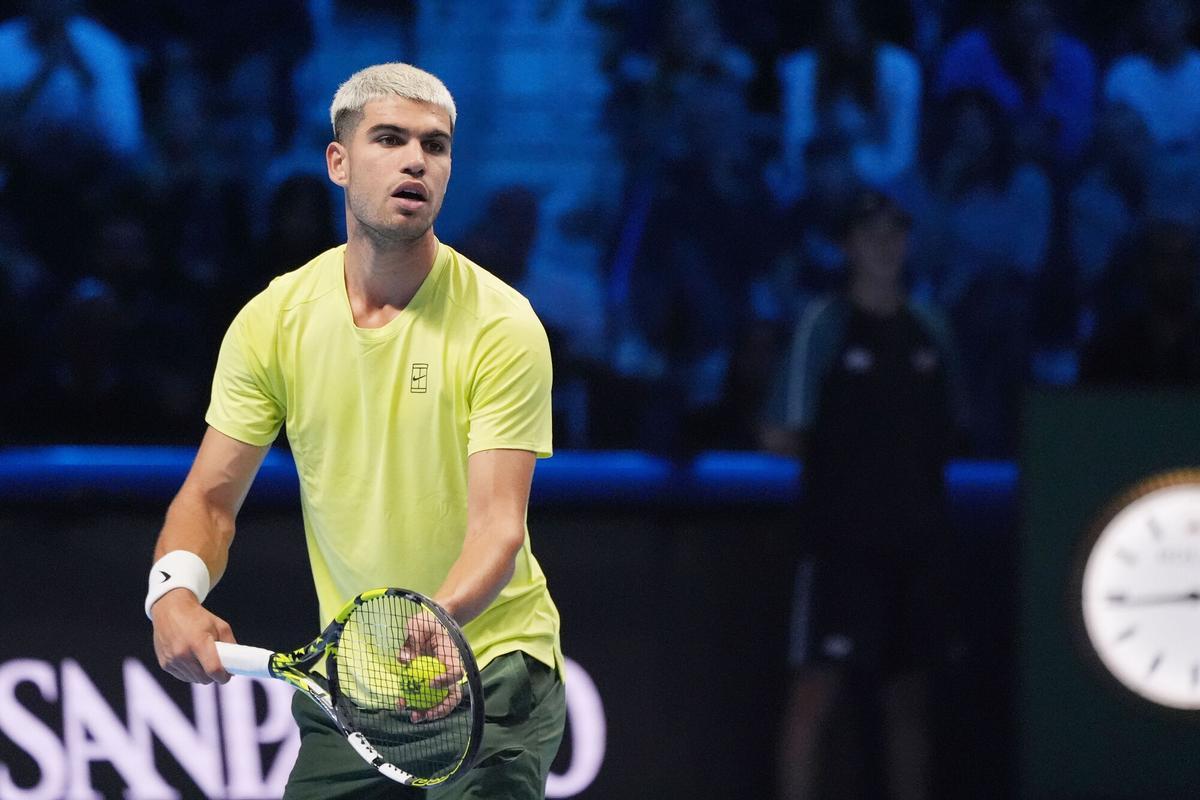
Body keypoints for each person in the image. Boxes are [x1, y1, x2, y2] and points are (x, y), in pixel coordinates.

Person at [145, 63, 565, 799]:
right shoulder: (272, 322)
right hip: (360, 678)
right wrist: (172, 595)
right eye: (391, 139)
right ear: (338, 162)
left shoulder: (502, 325)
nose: (415, 161)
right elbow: (210, 499)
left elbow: (498, 527)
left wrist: (440, 621)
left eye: (435, 147)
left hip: (490, 667)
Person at [764, 189, 967, 800]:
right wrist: (850, 475)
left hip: (918, 546)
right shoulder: (824, 325)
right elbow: (778, 433)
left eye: (896, 233)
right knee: (814, 695)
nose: (885, 245)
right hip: (840, 552)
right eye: (871, 233)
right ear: (849, 246)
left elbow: (953, 430)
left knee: (910, 697)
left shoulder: (932, 328)